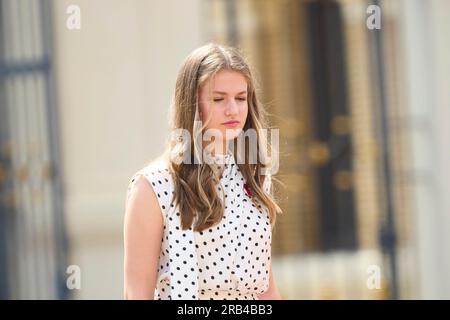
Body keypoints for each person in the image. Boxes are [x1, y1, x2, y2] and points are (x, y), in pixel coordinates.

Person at [123, 43, 282, 300]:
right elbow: (136, 294)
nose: (233, 109)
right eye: (219, 99)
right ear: (192, 104)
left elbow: (265, 289)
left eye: (241, 98)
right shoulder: (153, 186)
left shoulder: (255, 179)